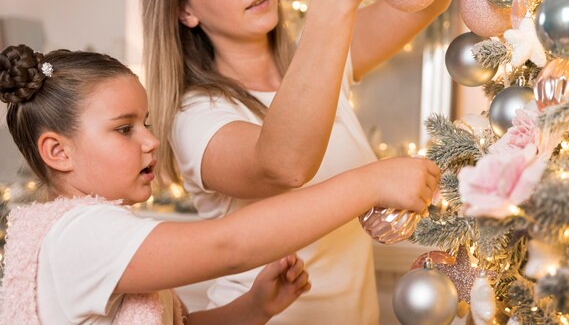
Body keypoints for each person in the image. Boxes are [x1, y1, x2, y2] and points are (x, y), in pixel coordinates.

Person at [141, 0, 453, 323]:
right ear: (185, 11)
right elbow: (283, 165)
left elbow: (426, 1)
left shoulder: (315, 59)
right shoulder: (195, 115)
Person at [0, 44, 439, 325]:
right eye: (124, 129)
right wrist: (370, 182)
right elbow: (229, 247)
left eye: (147, 123)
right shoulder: (82, 236)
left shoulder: (96, 233)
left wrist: (253, 308)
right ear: (58, 152)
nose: (151, 141)